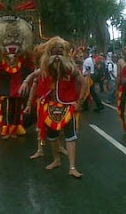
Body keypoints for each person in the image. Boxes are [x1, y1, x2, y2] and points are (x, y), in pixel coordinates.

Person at [26, 37, 87, 178]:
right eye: (54, 52)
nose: (57, 55)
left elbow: (84, 83)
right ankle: (56, 160)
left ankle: (72, 167)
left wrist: (80, 101)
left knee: (70, 137)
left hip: (68, 107)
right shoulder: (46, 69)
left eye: (60, 52)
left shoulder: (71, 69)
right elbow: (34, 75)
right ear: (49, 54)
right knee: (52, 137)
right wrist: (26, 81)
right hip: (50, 108)